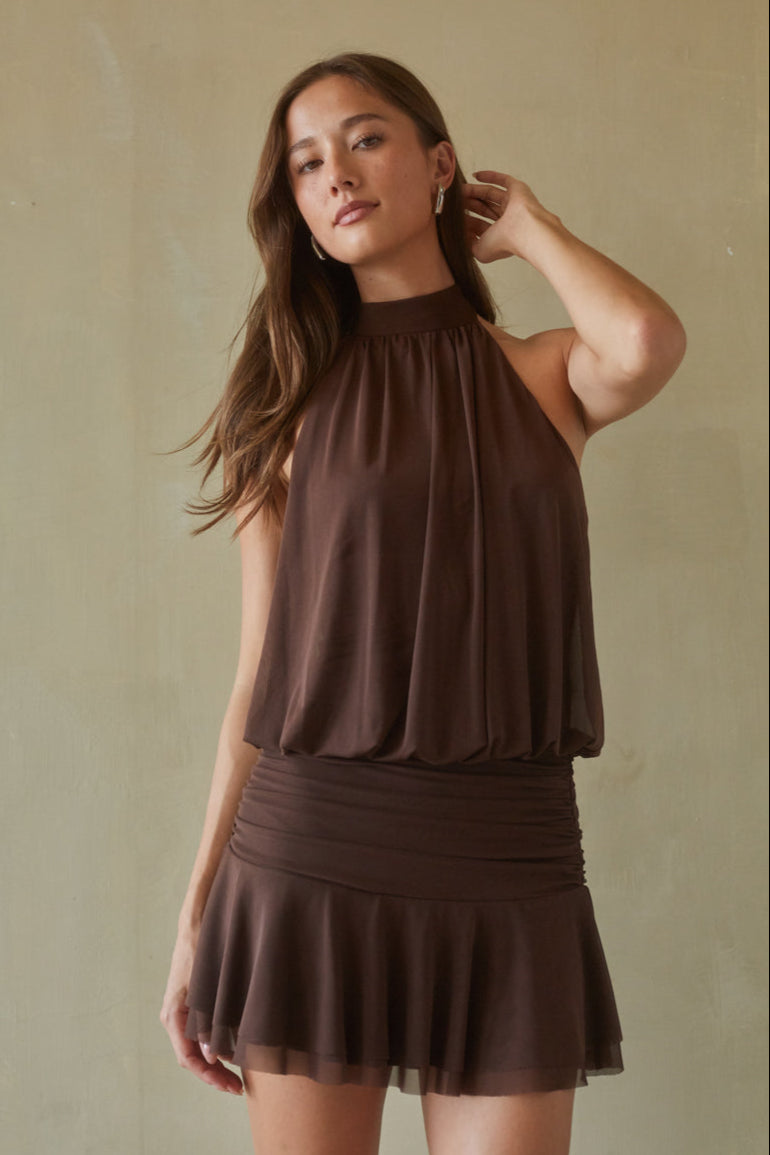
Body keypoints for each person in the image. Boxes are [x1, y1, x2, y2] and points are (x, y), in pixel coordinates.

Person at [160, 51, 686, 1155]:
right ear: (298, 215)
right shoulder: (286, 403)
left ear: (438, 163)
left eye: (366, 138)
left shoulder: (543, 376)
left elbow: (642, 343)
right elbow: (259, 675)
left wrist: (532, 228)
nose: (337, 173)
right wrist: (197, 911)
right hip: (309, 852)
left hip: (507, 856)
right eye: (305, 164)